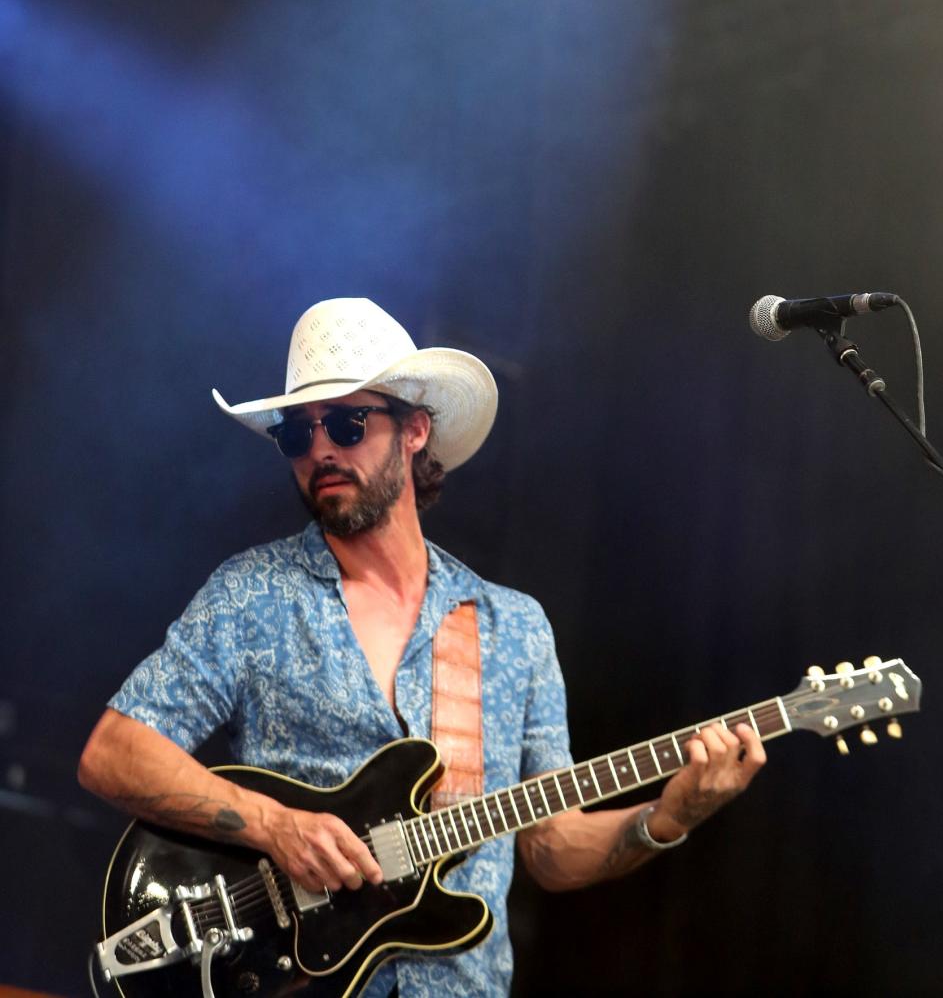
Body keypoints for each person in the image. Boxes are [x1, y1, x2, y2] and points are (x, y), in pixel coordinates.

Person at [78, 297, 765, 995]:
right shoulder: (253, 594)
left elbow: (554, 847)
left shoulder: (512, 626)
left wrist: (667, 816)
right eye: (296, 433)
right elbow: (113, 751)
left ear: (414, 429)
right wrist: (275, 825)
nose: (320, 449)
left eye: (346, 422)